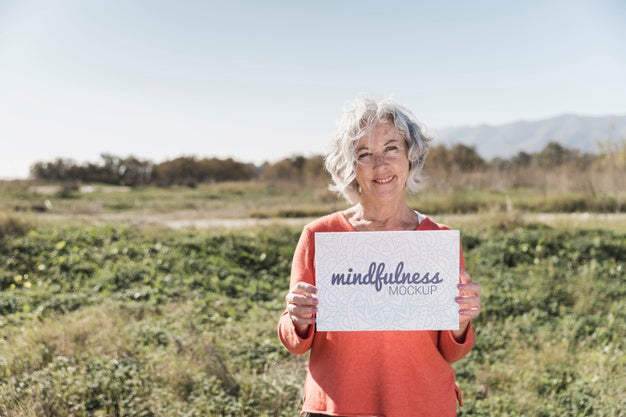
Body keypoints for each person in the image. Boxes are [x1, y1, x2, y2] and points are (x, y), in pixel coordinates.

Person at [277, 96, 481, 417]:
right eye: (364, 154)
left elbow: (452, 350)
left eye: (391, 148)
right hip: (336, 409)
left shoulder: (437, 240)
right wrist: (298, 320)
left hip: (423, 406)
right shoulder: (320, 236)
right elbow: (295, 341)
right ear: (349, 167)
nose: (381, 164)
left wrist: (460, 322)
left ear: (410, 157)